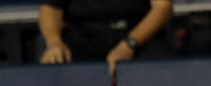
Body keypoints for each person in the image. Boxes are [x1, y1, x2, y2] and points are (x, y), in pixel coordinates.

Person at [39, 0, 174, 73]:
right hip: (84, 35)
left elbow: (163, 7)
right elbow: (50, 9)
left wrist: (128, 45)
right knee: (55, 62)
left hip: (137, 35)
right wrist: (54, 42)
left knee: (162, 65)